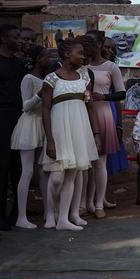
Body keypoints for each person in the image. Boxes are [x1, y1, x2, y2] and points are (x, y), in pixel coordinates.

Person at [41, 38, 100, 231]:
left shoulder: (84, 78)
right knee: (56, 177)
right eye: (80, 53)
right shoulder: (51, 79)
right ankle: (51, 212)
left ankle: (64, 219)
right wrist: (50, 139)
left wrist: (96, 134)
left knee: (71, 176)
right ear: (67, 54)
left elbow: (91, 108)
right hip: (59, 131)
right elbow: (45, 109)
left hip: (78, 129)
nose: (83, 57)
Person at [78, 34, 126, 219]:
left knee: (100, 162)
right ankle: (83, 203)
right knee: (84, 163)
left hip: (103, 112)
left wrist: (103, 97)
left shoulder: (111, 67)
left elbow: (121, 93)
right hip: (83, 113)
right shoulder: (81, 67)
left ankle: (99, 204)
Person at [11, 46, 52, 228]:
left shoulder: (43, 79)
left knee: (44, 171)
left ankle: (49, 212)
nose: (48, 59)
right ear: (37, 59)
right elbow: (26, 106)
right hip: (29, 125)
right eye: (45, 56)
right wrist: (39, 94)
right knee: (27, 171)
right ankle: (21, 217)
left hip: (42, 124)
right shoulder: (28, 79)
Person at [0, 24, 26, 240]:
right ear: (4, 39)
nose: (20, 40)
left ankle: (17, 215)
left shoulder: (20, 64)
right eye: (16, 37)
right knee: (1, 168)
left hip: (19, 117)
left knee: (19, 167)